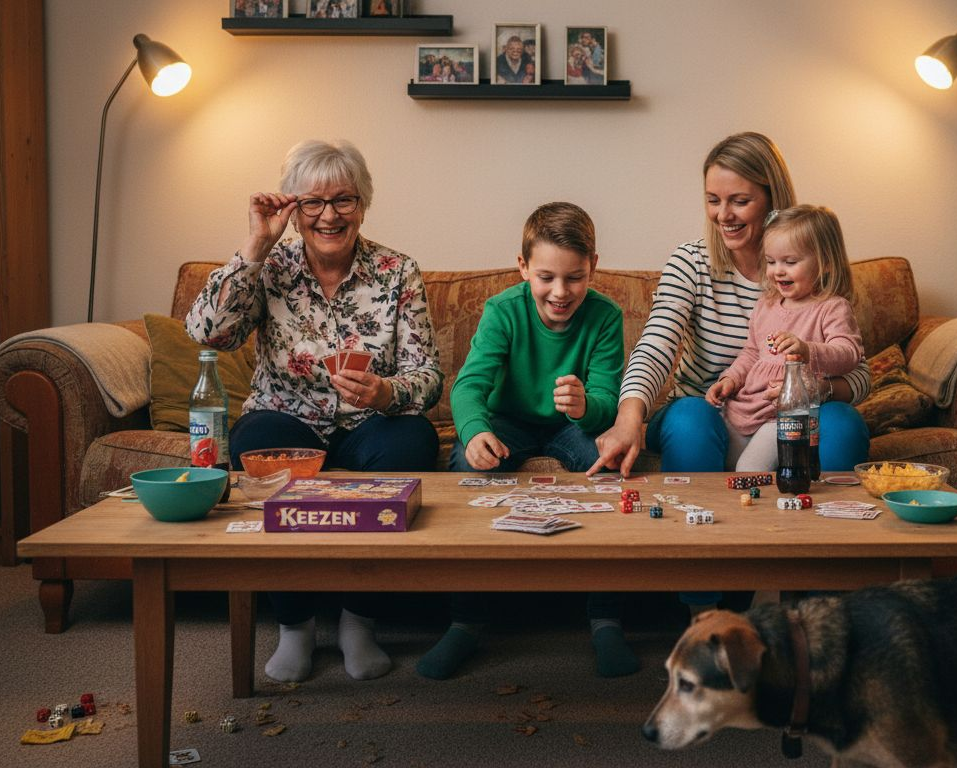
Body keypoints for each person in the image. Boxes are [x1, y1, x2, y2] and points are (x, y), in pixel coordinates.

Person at [186, 139, 443, 683]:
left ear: (363, 205)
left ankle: (358, 620)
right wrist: (254, 246)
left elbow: (428, 378)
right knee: (257, 443)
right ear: (293, 210)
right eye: (313, 203)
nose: (329, 216)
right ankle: (295, 625)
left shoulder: (398, 271)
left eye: (344, 200)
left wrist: (386, 394)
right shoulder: (270, 267)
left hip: (372, 424)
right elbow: (207, 334)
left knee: (413, 441)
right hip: (285, 417)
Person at [587, 132, 871, 616]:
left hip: (788, 413)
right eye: (714, 201)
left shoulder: (810, 276)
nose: (725, 215)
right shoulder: (693, 262)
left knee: (841, 420)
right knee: (692, 417)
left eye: (740, 201)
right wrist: (630, 416)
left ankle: (812, 599)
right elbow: (657, 344)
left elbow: (857, 371)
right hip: (713, 412)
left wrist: (815, 385)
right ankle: (704, 606)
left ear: (771, 201)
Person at [419, 201, 636, 680]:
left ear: (593, 267)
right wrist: (475, 433)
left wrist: (587, 406)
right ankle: (465, 620)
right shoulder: (502, 311)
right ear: (523, 268)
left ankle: (606, 617)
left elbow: (606, 399)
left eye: (574, 278)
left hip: (572, 426)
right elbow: (469, 385)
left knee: (609, 472)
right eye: (546, 277)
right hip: (508, 422)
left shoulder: (604, 316)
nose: (560, 292)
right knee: (466, 470)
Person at [705, 205, 864, 471]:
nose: (778, 271)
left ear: (825, 263)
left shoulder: (832, 307)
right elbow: (752, 352)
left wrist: (808, 350)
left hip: (785, 414)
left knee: (749, 470)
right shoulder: (766, 304)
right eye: (771, 261)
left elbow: (849, 353)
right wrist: (730, 379)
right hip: (744, 407)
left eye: (790, 262)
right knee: (724, 469)